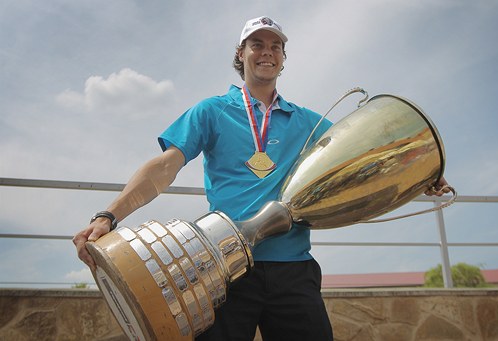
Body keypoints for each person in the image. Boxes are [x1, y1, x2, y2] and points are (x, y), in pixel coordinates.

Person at [73, 16, 451, 341]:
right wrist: (108, 215)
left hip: (293, 268)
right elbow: (165, 167)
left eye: (276, 46)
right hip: (222, 269)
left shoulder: (308, 121)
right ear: (241, 53)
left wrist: (424, 174)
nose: (267, 51)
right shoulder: (212, 111)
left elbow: (366, 158)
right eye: (257, 44)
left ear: (283, 59)